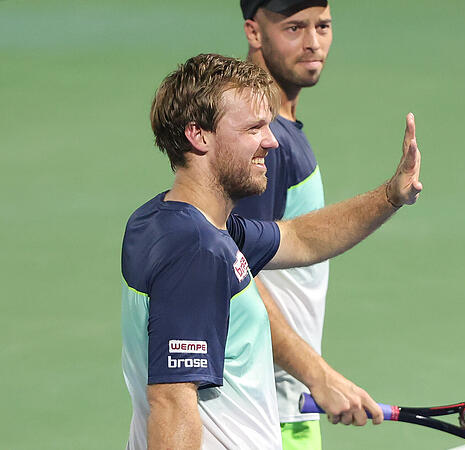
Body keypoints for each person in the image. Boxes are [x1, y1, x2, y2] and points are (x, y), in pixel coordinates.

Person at [121, 53, 421, 449]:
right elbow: (172, 404)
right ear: (199, 135)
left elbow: (301, 237)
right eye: (253, 128)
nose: (272, 140)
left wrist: (390, 195)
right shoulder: (196, 253)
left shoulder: (172, 222)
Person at [235, 1, 379, 447]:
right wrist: (317, 374)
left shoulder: (273, 130)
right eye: (294, 27)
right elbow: (236, 270)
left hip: (282, 402)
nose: (313, 43)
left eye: (323, 26)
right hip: (269, 413)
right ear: (254, 33)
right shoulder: (266, 143)